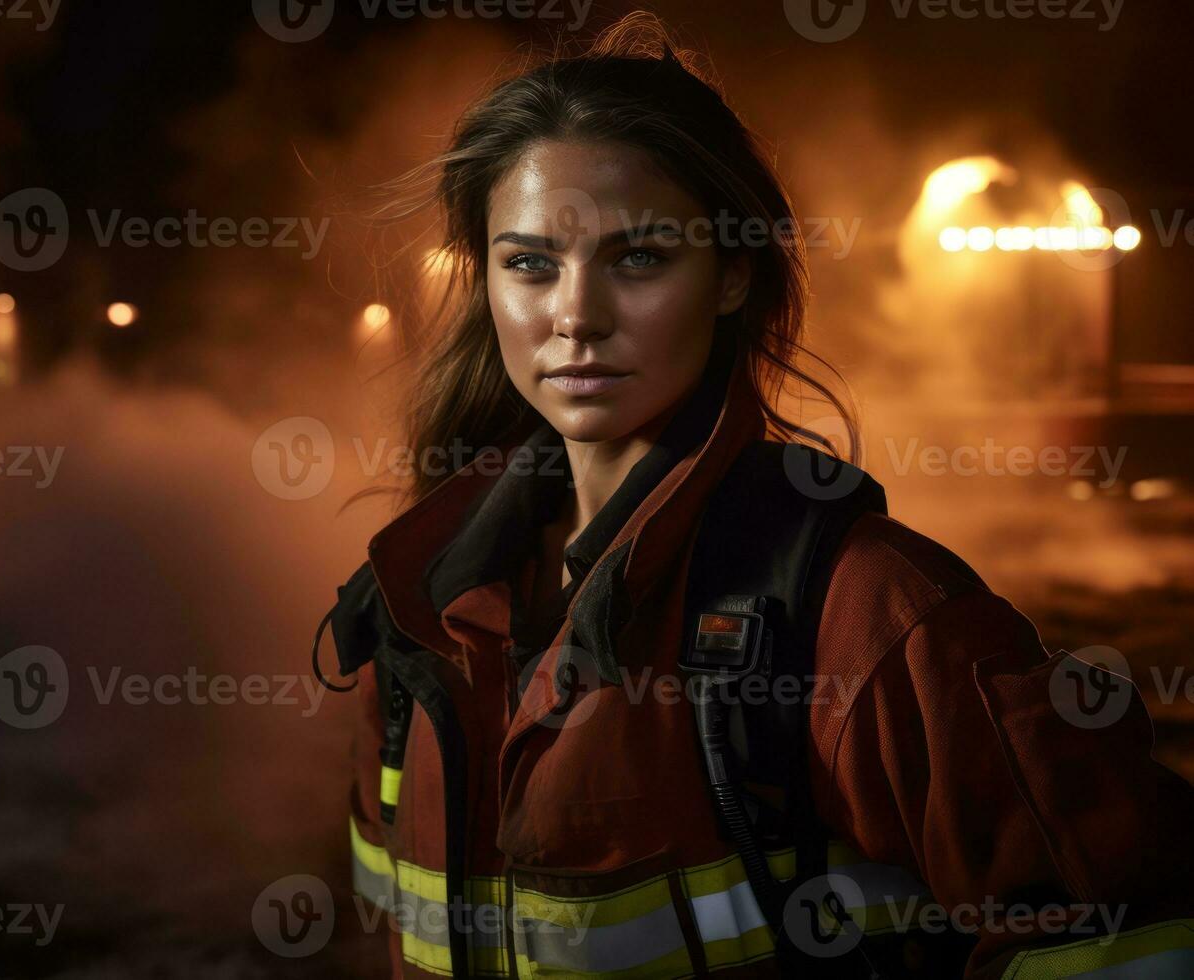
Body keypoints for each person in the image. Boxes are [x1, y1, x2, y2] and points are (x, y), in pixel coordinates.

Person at [323, 14, 1194, 979]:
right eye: (529, 262)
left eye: (638, 257)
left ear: (732, 275)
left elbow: (1129, 936)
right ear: (484, 282)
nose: (574, 315)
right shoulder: (416, 611)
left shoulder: (860, 613)